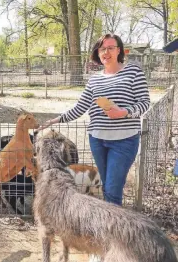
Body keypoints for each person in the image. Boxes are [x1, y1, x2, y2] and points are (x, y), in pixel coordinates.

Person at [38, 33, 150, 206]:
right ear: (98, 53)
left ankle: (113, 230)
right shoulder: (94, 80)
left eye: (110, 48)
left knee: (113, 190)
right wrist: (56, 120)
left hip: (124, 141)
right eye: (102, 49)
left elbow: (144, 103)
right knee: (106, 186)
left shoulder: (133, 71)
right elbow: (80, 107)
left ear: (118, 50)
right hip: (98, 140)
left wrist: (124, 112)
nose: (106, 52)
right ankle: (111, 225)